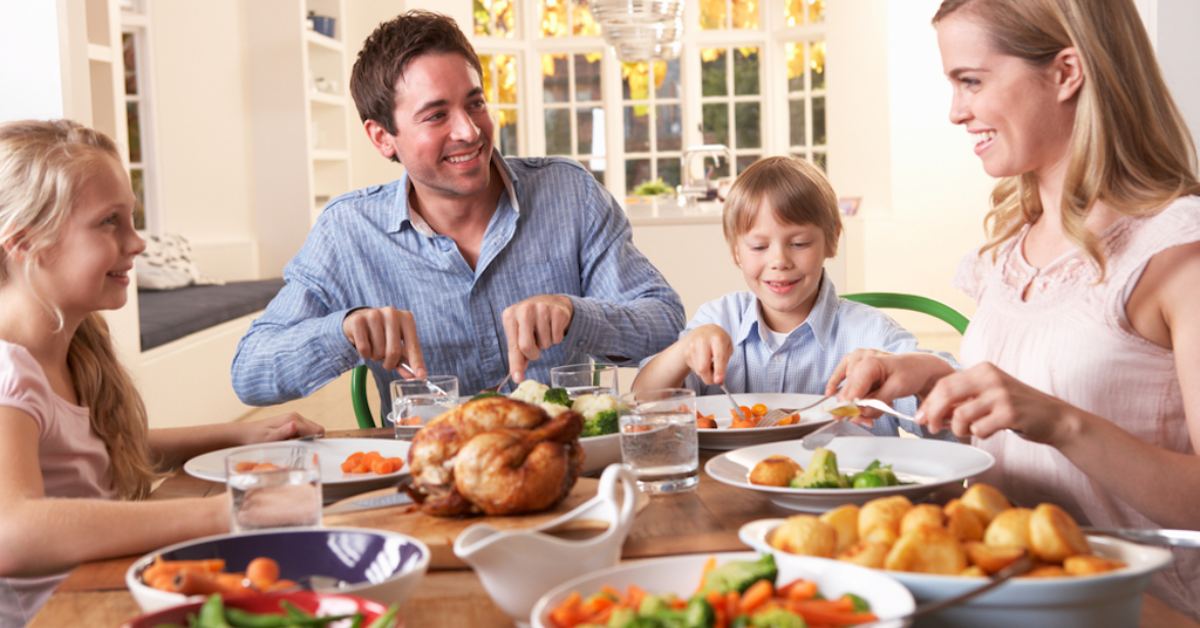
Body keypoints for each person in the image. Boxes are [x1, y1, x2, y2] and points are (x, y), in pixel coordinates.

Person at [829, 0, 1200, 618]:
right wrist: (939, 378)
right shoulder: (1010, 245)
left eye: (970, 80)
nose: (955, 111)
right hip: (1003, 599)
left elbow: (1060, 416)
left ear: (1066, 73)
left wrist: (1059, 421)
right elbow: (1040, 401)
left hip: (1134, 609)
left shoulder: (1176, 250)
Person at [231, 10, 684, 415]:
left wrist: (575, 314)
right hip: (434, 480)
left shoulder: (570, 192)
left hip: (570, 465)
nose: (468, 131)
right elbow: (250, 372)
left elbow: (664, 320)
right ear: (382, 138)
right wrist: (343, 332)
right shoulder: (348, 231)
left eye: (475, 103)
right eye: (435, 116)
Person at [0, 119, 324, 626]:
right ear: (25, 243)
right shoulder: (7, 372)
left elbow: (90, 452)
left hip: (102, 594)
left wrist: (237, 435)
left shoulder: (74, 346)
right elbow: (11, 532)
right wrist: (229, 512)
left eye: (131, 219)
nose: (137, 243)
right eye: (109, 222)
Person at [633, 156, 946, 437]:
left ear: (832, 240)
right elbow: (641, 404)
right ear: (736, 252)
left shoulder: (871, 335)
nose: (779, 261)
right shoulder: (718, 319)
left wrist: (910, 374)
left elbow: (949, 419)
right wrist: (684, 350)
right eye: (759, 247)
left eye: (798, 243)